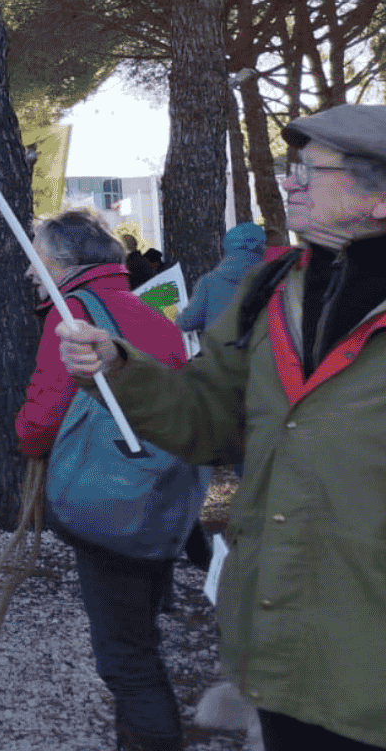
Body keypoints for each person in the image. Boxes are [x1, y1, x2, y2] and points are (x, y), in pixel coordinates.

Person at [58, 103, 386, 751]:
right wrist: (119, 367)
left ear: (380, 199)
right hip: (280, 644)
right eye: (294, 168)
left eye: (312, 171)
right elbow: (207, 418)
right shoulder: (269, 291)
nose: (291, 183)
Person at [16, 210, 191, 751]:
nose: (29, 271)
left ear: (62, 262)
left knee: (124, 658)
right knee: (140, 641)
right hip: (161, 493)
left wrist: (27, 443)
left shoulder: (71, 317)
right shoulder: (143, 306)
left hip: (111, 499)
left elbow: (45, 412)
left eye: (37, 257)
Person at [176, 221, 267, 334]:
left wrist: (175, 317)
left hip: (220, 349)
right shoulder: (275, 277)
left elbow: (189, 322)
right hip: (264, 349)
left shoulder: (209, 282)